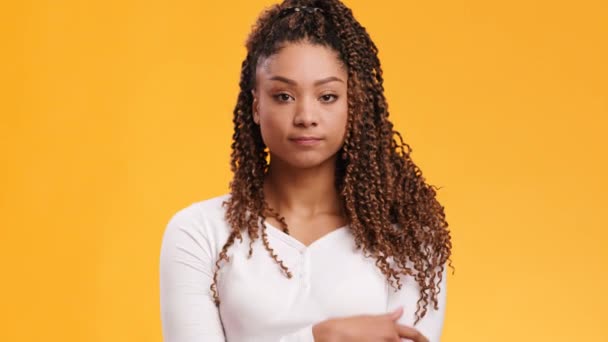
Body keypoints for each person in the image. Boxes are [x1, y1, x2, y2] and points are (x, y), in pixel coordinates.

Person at [159, 0, 454, 341]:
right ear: (256, 105)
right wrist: (321, 337)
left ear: (353, 103)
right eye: (283, 96)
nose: (306, 116)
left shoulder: (409, 236)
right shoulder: (199, 233)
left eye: (327, 96)